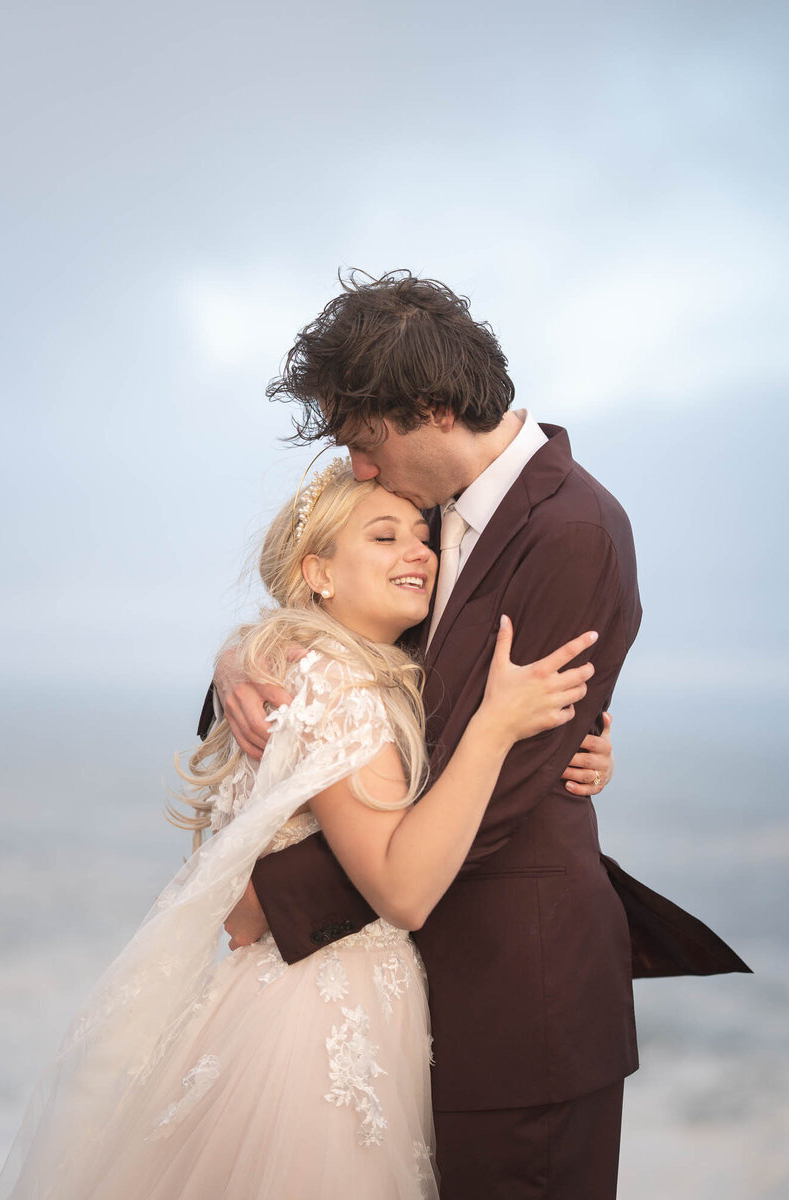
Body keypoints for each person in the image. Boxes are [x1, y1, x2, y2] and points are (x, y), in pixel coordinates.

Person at [207, 271, 750, 1200]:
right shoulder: (422, 526)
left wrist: (265, 895)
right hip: (404, 1009)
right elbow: (348, 648)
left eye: (366, 445)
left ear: (431, 406)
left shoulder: (575, 530)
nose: (361, 471)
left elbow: (496, 788)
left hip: (516, 1005)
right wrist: (244, 667)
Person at [0, 463, 602, 1200]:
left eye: (423, 536)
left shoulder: (327, 669)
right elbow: (403, 892)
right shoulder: (331, 685)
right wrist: (496, 730)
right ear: (318, 572)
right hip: (316, 1024)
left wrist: (567, 754)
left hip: (276, 997)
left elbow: (244, 913)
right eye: (384, 536)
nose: (419, 552)